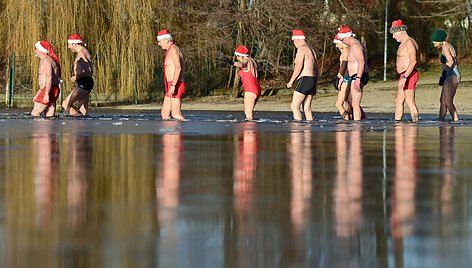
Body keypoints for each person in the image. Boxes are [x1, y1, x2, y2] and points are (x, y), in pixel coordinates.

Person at [337, 25, 369, 121]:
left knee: (355, 103)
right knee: (351, 101)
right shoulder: (352, 46)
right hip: (354, 76)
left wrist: (358, 78)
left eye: (342, 40)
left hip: (358, 75)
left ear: (347, 37)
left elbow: (361, 62)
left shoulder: (355, 46)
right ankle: (361, 118)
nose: (342, 42)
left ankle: (357, 124)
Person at [390, 20, 420, 122]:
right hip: (404, 74)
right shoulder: (404, 42)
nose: (393, 36)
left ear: (401, 31)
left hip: (409, 74)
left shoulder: (409, 42)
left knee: (409, 100)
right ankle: (397, 123)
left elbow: (413, 61)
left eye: (394, 33)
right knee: (399, 100)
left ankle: (416, 122)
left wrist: (405, 77)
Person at [286, 30, 319, 121]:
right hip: (312, 79)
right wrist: (315, 83)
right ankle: (308, 132)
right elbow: (316, 69)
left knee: (294, 106)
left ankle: (297, 130)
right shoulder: (311, 50)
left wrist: (291, 80)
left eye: (293, 40)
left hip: (305, 79)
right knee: (307, 108)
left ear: (298, 39)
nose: (293, 43)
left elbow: (299, 67)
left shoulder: (301, 49)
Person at [222, 46, 261, 120]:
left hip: (250, 90)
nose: (237, 58)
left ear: (241, 56)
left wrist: (231, 62)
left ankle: (249, 131)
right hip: (256, 88)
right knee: (249, 112)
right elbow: (259, 67)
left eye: (237, 56)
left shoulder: (246, 62)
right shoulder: (253, 61)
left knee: (248, 113)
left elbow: (243, 64)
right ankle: (251, 130)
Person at [431, 29, 461, 121]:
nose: (434, 44)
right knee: (442, 101)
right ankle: (441, 121)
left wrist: (444, 74)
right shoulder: (447, 46)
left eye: (435, 42)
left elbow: (451, 62)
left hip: (452, 74)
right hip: (450, 74)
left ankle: (456, 120)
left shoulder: (445, 47)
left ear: (440, 40)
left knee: (448, 101)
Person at [157, 29, 186, 121]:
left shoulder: (173, 49)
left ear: (166, 40)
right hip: (170, 84)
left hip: (175, 84)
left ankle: (180, 132)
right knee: (165, 113)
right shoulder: (170, 50)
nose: (159, 44)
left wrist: (173, 85)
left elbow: (178, 68)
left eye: (159, 41)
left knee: (176, 114)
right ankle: (169, 134)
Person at [62, 34, 94, 116]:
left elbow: (88, 70)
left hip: (84, 82)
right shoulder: (84, 51)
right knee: (82, 110)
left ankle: (76, 120)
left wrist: (76, 77)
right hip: (86, 82)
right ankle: (83, 127)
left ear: (75, 44)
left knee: (65, 104)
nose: (69, 47)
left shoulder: (81, 53)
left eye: (69, 44)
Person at [32, 40, 61, 117]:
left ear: (41, 50)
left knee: (35, 113)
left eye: (36, 48)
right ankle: (48, 129)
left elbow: (49, 77)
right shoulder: (48, 59)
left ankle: (40, 129)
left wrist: (46, 94)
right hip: (51, 89)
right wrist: (38, 93)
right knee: (49, 116)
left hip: (49, 89)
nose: (35, 50)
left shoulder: (46, 60)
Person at [333, 33, 351, 120]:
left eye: (337, 43)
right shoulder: (349, 49)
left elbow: (344, 65)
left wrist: (339, 76)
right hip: (348, 77)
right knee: (347, 104)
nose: (336, 46)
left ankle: (347, 121)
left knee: (339, 104)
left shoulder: (345, 50)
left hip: (346, 78)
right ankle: (353, 119)